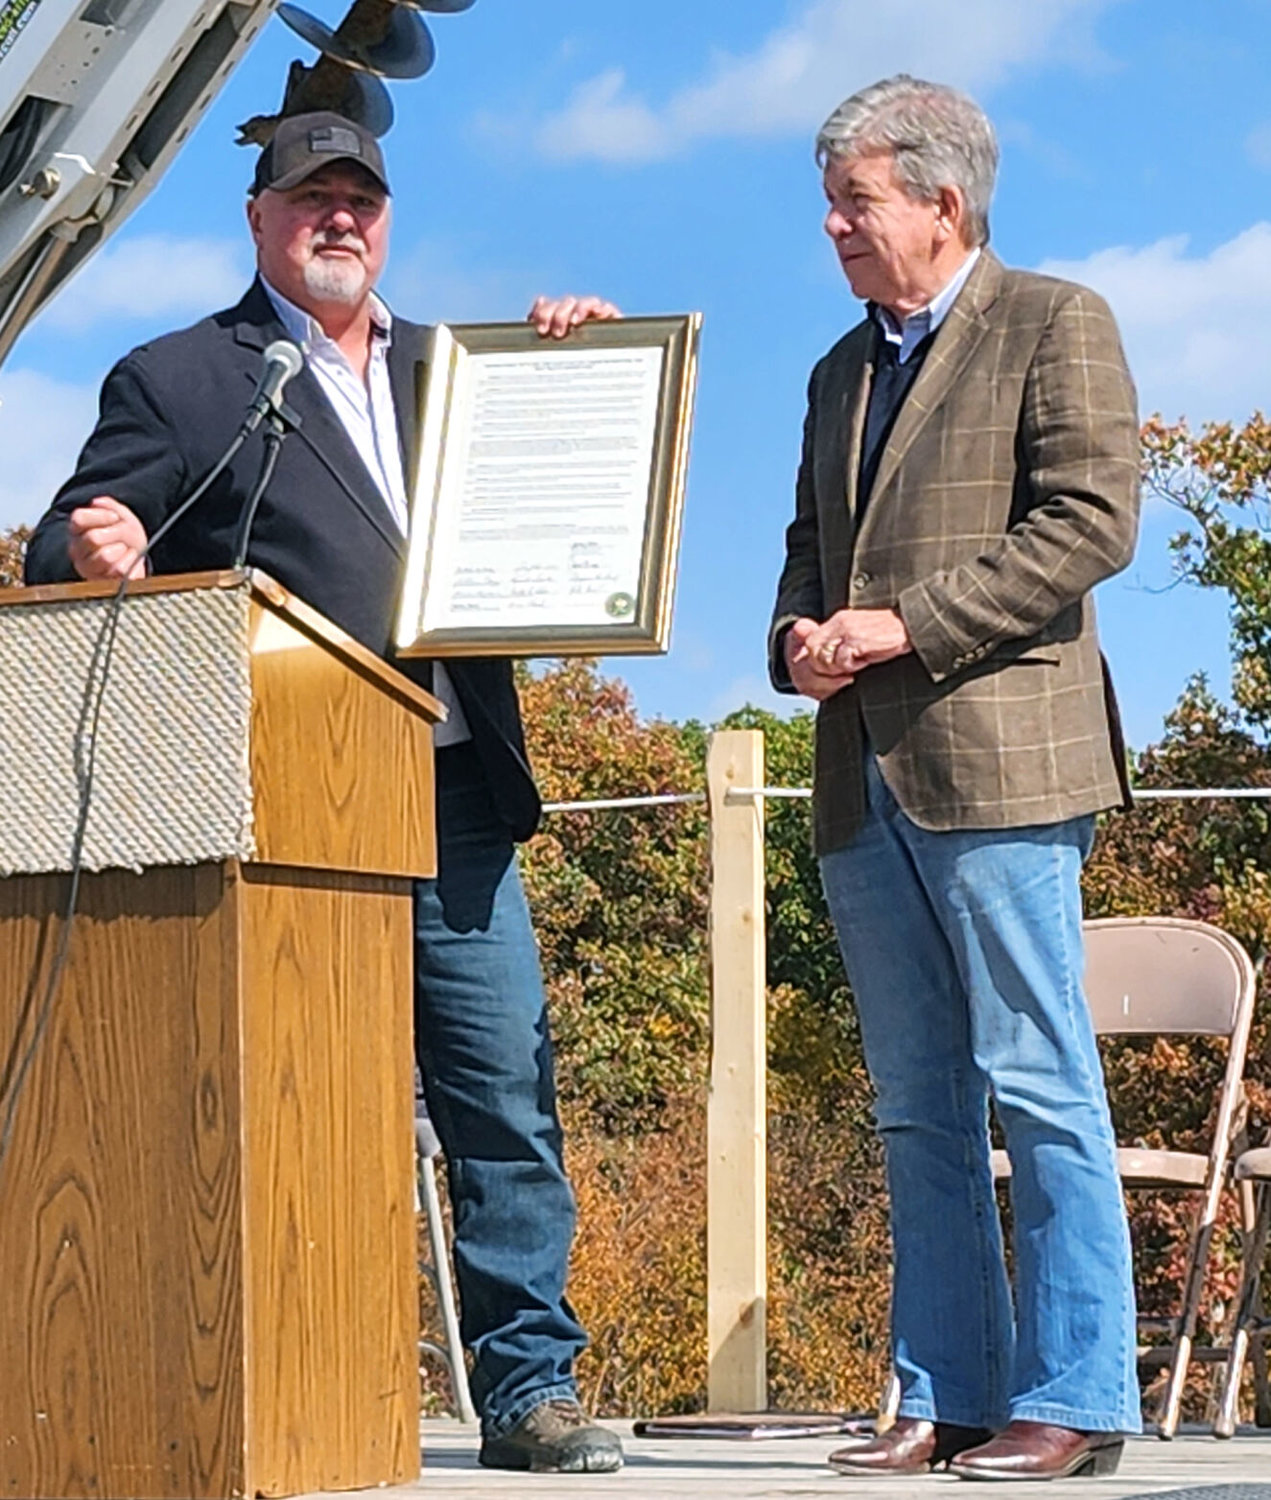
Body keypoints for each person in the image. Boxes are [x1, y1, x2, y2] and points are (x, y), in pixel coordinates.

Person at [24, 110, 625, 1477]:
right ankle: (326, 1382)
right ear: (258, 223)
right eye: (309, 201)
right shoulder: (180, 378)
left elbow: (571, 482)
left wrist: (581, 369)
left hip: (459, 797)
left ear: (389, 218)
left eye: (359, 198)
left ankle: (530, 1393)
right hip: (290, 815)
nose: (337, 219)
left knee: (506, 1107)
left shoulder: (466, 371)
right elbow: (79, 532)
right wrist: (90, 541)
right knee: (317, 1112)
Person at [769, 75, 1142, 1481]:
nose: (835, 226)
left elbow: (1091, 523)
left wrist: (909, 624)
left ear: (944, 199)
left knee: (1039, 1086)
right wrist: (796, 637)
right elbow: (811, 550)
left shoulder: (1058, 323)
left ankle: (1080, 1397)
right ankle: (947, 1393)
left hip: (1004, 767)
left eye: (857, 200)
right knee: (917, 1100)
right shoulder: (832, 372)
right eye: (834, 203)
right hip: (862, 780)